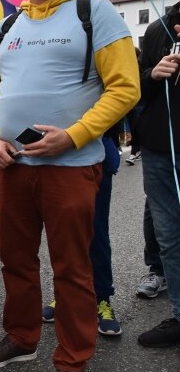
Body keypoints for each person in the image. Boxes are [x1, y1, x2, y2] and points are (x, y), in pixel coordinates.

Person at [0, 0, 139, 372]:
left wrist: (75, 135)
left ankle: (71, 362)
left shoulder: (95, 13)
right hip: (12, 166)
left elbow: (125, 88)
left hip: (72, 166)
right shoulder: (5, 27)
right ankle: (22, 339)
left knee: (72, 267)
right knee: (16, 261)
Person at [133, 0, 180, 348]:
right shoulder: (155, 30)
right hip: (159, 150)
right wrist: (152, 74)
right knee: (168, 237)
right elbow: (137, 90)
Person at [42, 124, 124, 336]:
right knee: (64, 234)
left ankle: (102, 299)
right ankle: (65, 295)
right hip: (54, 156)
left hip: (94, 153)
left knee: (96, 232)